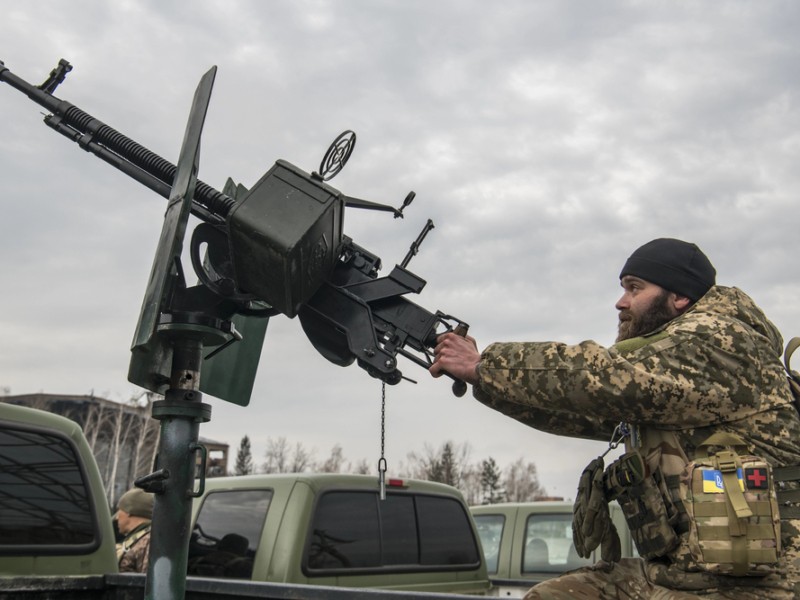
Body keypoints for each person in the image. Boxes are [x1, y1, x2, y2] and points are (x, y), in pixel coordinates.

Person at [430, 238, 800, 599]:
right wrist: (482, 379)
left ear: (680, 297)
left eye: (635, 288)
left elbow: (604, 376)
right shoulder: (670, 381)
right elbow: (577, 411)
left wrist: (486, 365)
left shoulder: (721, 340)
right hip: (678, 575)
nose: (621, 302)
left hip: (762, 584)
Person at [114, 487, 154, 573]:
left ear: (128, 511)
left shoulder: (150, 540)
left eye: (119, 511)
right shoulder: (137, 539)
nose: (117, 517)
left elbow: (148, 582)